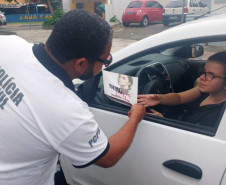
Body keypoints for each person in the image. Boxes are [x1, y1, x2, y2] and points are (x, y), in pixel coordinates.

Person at [0, 9, 146, 185]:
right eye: (106, 60)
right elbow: (108, 157)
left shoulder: (9, 44)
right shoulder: (66, 110)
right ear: (81, 64)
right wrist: (136, 116)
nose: (106, 63)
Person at [138, 51, 226, 126]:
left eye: (211, 75)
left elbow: (188, 138)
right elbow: (179, 98)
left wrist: (162, 120)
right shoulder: (207, 91)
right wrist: (160, 98)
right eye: (204, 71)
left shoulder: (216, 117)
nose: (202, 77)